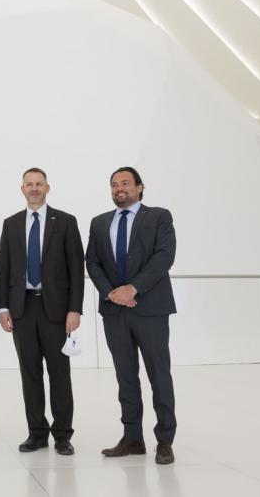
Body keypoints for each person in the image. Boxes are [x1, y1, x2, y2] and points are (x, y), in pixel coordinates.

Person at [86, 167, 177, 465]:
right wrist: (112, 292)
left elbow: (164, 256)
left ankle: (165, 440)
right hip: (114, 312)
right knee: (125, 377)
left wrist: (133, 288)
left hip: (149, 309)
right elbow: (93, 262)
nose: (119, 188)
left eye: (125, 183)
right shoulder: (99, 223)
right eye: (114, 184)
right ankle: (132, 438)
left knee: (158, 374)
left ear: (139, 187)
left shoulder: (159, 216)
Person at [0, 167, 84, 455]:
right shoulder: (10, 224)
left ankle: (62, 434)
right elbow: (4, 269)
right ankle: (36, 432)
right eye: (29, 184)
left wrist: (75, 309)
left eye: (39, 184)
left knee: (59, 373)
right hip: (22, 309)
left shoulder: (66, 222)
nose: (34, 188)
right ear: (22, 189)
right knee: (29, 373)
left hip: (56, 309)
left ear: (48, 188)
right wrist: (3, 307)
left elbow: (75, 268)